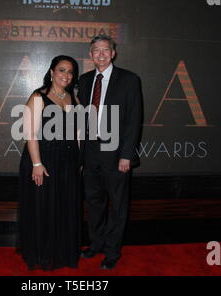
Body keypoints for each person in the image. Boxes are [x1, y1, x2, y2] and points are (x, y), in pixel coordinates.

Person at [77, 35, 142, 270]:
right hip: (90, 152)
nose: (101, 54)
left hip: (116, 154)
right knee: (94, 202)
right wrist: (80, 155)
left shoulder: (129, 79)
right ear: (90, 55)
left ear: (113, 53)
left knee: (117, 204)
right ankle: (96, 244)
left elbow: (134, 120)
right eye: (96, 50)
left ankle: (113, 251)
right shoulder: (84, 81)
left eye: (106, 50)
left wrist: (127, 155)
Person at [17, 55, 81, 270]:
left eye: (70, 72)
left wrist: (79, 160)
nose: (66, 75)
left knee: (65, 208)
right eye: (62, 70)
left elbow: (77, 133)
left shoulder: (74, 98)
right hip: (43, 161)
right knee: (43, 208)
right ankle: (42, 254)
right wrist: (36, 164)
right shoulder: (38, 97)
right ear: (52, 72)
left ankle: (62, 252)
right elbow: (30, 133)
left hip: (68, 163)